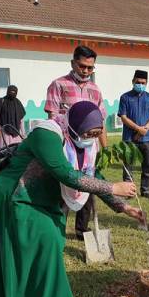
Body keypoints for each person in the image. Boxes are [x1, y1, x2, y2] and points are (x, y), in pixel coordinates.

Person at [0, 101, 145, 297]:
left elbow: (92, 174)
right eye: (89, 132)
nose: (92, 136)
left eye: (97, 133)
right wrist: (113, 187)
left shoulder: (86, 144)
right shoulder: (47, 134)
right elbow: (66, 173)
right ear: (76, 124)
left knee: (49, 246)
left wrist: (123, 207)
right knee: (45, 242)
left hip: (44, 198)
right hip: (18, 194)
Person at [45, 45, 107, 240]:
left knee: (88, 187)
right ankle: (58, 229)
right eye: (82, 66)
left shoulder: (95, 91)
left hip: (89, 150)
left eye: (90, 68)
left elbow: (101, 122)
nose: (86, 71)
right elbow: (52, 116)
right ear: (73, 63)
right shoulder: (59, 85)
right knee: (65, 186)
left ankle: (82, 230)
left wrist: (105, 149)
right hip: (67, 148)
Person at [118, 70, 149, 198]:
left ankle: (145, 190)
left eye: (143, 83)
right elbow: (123, 117)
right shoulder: (125, 97)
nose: (140, 84)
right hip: (130, 138)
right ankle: (129, 192)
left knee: (147, 166)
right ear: (133, 81)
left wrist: (144, 130)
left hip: (148, 139)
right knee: (128, 167)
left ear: (146, 83)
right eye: (138, 82)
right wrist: (138, 129)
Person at [0, 85, 26, 149]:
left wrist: (23, 133)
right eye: (11, 91)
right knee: (4, 151)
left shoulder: (18, 103)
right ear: (7, 91)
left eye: (14, 92)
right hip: (4, 133)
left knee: (15, 152)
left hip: (16, 135)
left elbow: (21, 119)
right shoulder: (1, 101)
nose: (12, 93)